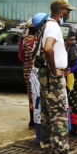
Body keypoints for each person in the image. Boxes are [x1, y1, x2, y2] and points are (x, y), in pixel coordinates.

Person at [37, 0, 77, 154]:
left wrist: (65, 46)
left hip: (45, 76)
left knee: (47, 116)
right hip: (53, 77)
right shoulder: (54, 26)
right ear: (60, 11)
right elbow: (48, 49)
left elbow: (52, 49)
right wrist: (55, 70)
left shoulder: (46, 25)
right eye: (68, 11)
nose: (69, 14)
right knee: (59, 116)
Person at [27, 13, 50, 143]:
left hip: (33, 73)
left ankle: (40, 137)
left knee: (37, 105)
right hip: (41, 75)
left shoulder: (29, 40)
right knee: (43, 106)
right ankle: (44, 140)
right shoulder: (44, 40)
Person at [19, 18, 36, 129]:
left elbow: (21, 56)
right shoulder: (38, 39)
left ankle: (32, 121)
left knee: (31, 95)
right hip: (37, 69)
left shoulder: (24, 39)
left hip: (27, 70)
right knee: (39, 94)